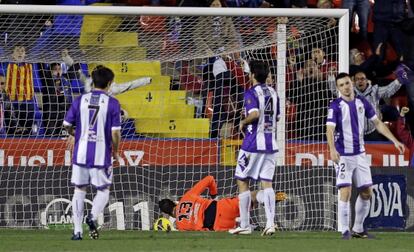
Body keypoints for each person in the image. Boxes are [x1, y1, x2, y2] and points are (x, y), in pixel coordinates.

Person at [326, 72, 405, 240]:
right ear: (338, 88)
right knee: (345, 191)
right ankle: (344, 231)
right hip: (343, 156)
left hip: (360, 154)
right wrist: (332, 149)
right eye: (341, 85)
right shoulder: (335, 106)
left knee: (367, 193)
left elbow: (377, 123)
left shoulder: (363, 102)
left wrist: (394, 141)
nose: (345, 87)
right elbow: (330, 129)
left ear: (351, 83)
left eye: (347, 83)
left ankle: (358, 229)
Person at [63, 66, 121, 241]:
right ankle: (93, 216)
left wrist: (77, 134)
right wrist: (116, 151)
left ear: (93, 81)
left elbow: (66, 125)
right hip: (101, 154)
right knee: (103, 190)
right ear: (109, 83)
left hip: (80, 153)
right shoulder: (112, 103)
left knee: (79, 190)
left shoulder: (80, 100)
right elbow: (115, 133)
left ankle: (77, 231)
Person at [229, 60, 280, 236]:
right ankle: (270, 223)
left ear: (252, 75)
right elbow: (277, 117)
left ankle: (244, 224)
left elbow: (255, 114)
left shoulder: (251, 92)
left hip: (252, 144)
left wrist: (243, 122)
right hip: (270, 143)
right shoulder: (273, 93)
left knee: (242, 180)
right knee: (267, 183)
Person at [158, 175, 287, 232]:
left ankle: (251, 227)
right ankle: (264, 199)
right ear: (175, 202)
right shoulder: (186, 197)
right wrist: (213, 195)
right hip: (221, 207)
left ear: (170, 215)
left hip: (218, 227)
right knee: (252, 196)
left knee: (238, 229)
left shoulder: (180, 226)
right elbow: (209, 179)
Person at [353, 70, 403, 141]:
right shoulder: (350, 93)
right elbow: (338, 89)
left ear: (367, 80)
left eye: (362, 79)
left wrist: (399, 81)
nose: (360, 81)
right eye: (357, 79)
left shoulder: (374, 91)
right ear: (354, 82)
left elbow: (388, 90)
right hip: (356, 133)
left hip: (373, 131)